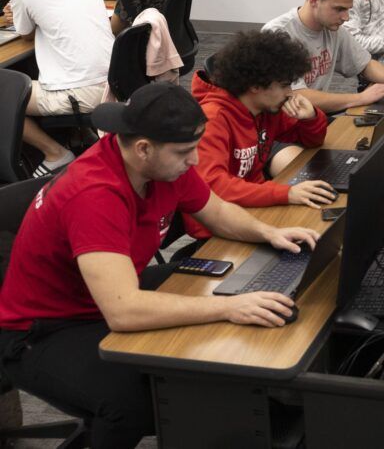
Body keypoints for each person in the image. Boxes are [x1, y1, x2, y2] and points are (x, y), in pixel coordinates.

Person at [0, 82, 319, 448]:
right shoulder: (95, 195)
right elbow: (124, 312)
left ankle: (245, 396)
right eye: (185, 152)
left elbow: (216, 212)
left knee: (216, 279)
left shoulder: (163, 165)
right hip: (42, 329)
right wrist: (229, 308)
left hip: (105, 294)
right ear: (143, 148)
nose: (195, 160)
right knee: (131, 403)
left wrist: (268, 233)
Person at [188, 30, 335, 241]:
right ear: (255, 86)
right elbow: (214, 187)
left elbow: (312, 140)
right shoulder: (213, 119)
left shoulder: (265, 109)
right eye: (284, 85)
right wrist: (285, 194)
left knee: (321, 232)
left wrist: (310, 117)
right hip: (218, 230)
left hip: (255, 208)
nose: (290, 93)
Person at [3, 0, 114, 175]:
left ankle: (56, 153)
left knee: (3, 94)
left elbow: (25, 34)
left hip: (80, 94)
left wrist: (17, 14)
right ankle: (80, 135)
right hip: (113, 84)